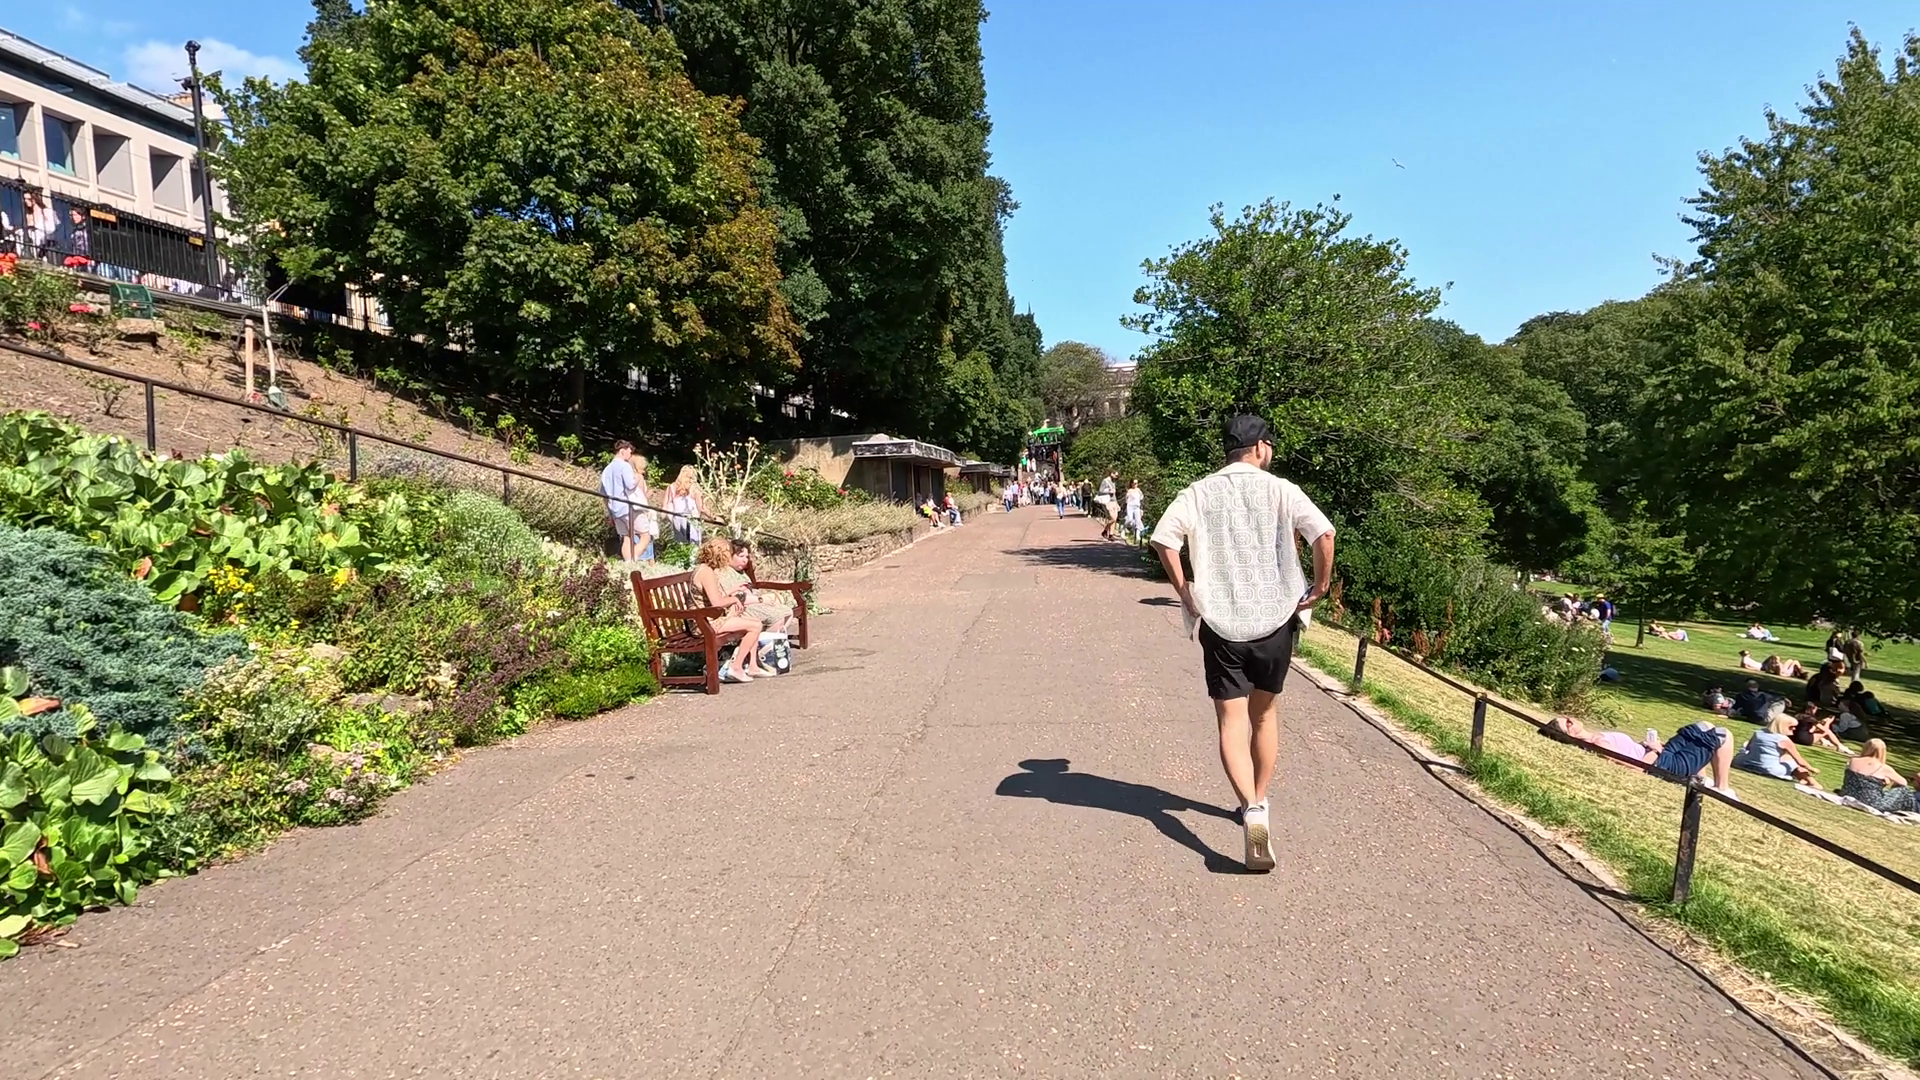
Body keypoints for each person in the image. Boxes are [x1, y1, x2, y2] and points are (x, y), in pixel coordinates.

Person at [1150, 414, 1335, 872]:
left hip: (1221, 622)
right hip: (1275, 620)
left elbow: (1164, 539)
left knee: (1231, 721)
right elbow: (1324, 533)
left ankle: (1250, 807)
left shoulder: (1198, 492)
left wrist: (1185, 592)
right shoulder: (1283, 491)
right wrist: (1320, 586)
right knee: (1264, 714)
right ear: (1261, 447)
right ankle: (1260, 801)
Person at [1540, 716, 1738, 799]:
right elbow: (1638, 768)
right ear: (1570, 734)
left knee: (1704, 725)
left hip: (1660, 753)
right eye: (1567, 722)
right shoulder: (1598, 744)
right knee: (1724, 735)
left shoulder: (1596, 736)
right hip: (1663, 763)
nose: (1570, 719)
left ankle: (1701, 780)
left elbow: (1629, 752)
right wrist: (1655, 751)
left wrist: (1645, 745)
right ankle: (1722, 789)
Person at [692, 537, 778, 683]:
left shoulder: (705, 569)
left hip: (707, 617)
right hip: (704, 623)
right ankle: (736, 667)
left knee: (750, 623)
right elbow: (717, 603)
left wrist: (732, 591)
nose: (728, 557)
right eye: (727, 553)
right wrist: (734, 599)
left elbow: (714, 598)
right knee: (755, 625)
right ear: (720, 554)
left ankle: (752, 666)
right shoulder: (706, 572)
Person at [1733, 715, 1818, 784]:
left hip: (1745, 764)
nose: (1794, 729)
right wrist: (1811, 768)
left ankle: (1805, 780)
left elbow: (1748, 748)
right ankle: (1812, 782)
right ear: (1782, 726)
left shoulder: (1758, 733)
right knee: (1792, 761)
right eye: (1791, 727)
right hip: (1769, 770)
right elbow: (1800, 761)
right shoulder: (1784, 740)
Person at [1838, 740, 1917, 813]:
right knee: (1903, 790)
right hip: (1871, 802)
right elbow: (1903, 782)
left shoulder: (1853, 760)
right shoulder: (1883, 768)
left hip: (1847, 794)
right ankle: (1914, 811)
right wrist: (1890, 783)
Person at [600, 440, 643, 563]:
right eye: (629, 452)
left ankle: (628, 562)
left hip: (614, 509)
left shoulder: (607, 469)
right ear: (622, 451)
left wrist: (610, 513)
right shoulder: (624, 466)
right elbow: (630, 485)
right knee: (644, 535)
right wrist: (638, 478)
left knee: (626, 537)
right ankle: (634, 560)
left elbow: (603, 494)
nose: (630, 455)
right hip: (627, 507)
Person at [665, 465, 707, 546]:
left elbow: (665, 506)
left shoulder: (672, 487)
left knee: (680, 546)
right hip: (692, 521)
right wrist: (713, 517)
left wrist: (671, 519)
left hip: (677, 520)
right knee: (693, 547)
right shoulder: (694, 488)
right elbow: (701, 508)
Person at [1096, 470, 1120, 540]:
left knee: (1115, 518)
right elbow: (1100, 491)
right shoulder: (1105, 481)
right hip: (1108, 501)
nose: (1116, 477)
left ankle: (1111, 534)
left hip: (1114, 501)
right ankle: (1105, 530)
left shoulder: (1113, 482)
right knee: (1112, 518)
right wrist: (1109, 491)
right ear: (1111, 474)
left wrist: (1117, 503)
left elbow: (1114, 494)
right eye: (1115, 475)